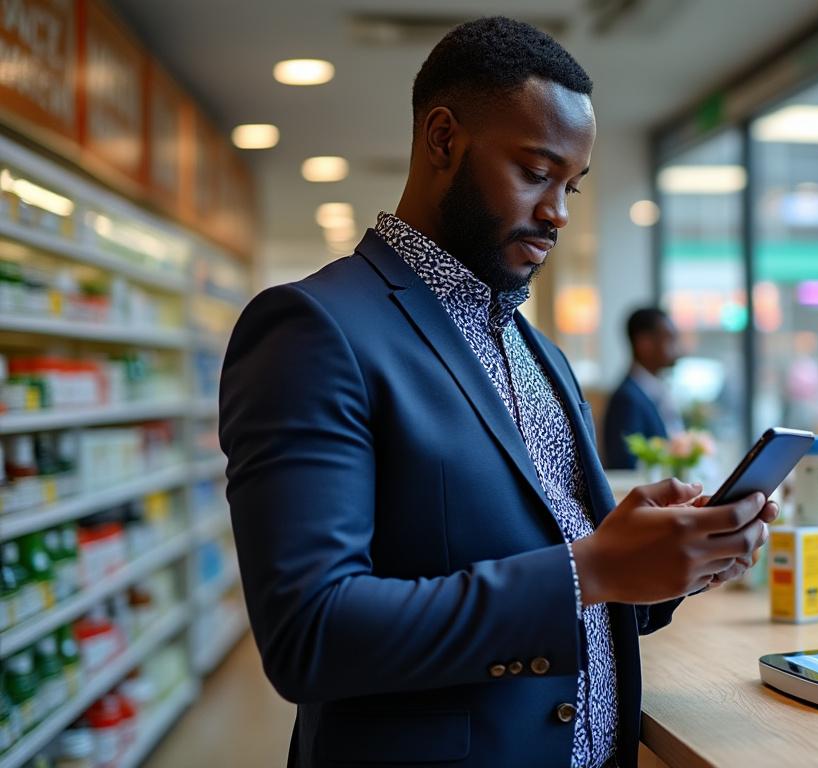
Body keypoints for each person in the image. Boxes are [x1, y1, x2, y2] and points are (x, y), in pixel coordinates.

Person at [218, 19, 775, 767]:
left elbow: (568, 603)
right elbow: (310, 635)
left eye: (572, 186)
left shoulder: (538, 351)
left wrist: (672, 564)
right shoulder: (313, 329)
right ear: (443, 139)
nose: (558, 212)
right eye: (536, 172)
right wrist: (592, 568)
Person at [602, 307, 683, 469]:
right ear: (644, 344)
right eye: (669, 339)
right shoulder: (626, 399)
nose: (677, 348)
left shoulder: (656, 390)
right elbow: (625, 466)